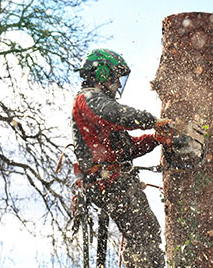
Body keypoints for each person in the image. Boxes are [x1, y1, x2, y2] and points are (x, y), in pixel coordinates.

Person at [71, 48, 170, 267]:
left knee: (146, 231)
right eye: (116, 78)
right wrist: (151, 120)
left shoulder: (103, 111)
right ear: (102, 74)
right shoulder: (88, 99)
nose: (117, 85)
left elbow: (127, 148)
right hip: (108, 182)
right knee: (143, 232)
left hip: (115, 181)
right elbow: (113, 113)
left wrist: (155, 138)